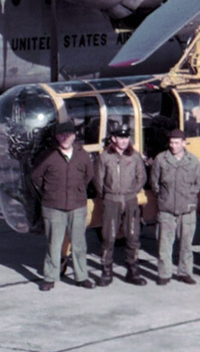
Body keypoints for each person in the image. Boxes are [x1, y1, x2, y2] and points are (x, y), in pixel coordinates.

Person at [29, 120, 95, 291]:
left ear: (74, 136)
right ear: (57, 137)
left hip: (77, 205)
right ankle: (50, 277)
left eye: (69, 134)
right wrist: (50, 191)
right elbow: (36, 177)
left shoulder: (82, 154)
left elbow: (89, 175)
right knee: (54, 244)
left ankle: (81, 277)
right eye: (61, 134)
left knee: (79, 244)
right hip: (53, 206)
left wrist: (79, 189)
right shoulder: (47, 155)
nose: (65, 137)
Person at [95, 120, 148, 286]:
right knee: (108, 237)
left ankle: (133, 271)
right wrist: (109, 194)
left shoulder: (134, 156)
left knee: (132, 236)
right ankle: (106, 272)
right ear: (113, 139)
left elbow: (142, 177)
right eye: (121, 137)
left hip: (130, 200)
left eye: (126, 137)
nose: (124, 140)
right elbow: (98, 180)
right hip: (112, 200)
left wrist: (132, 190)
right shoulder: (105, 157)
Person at [151, 128, 200, 285]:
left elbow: (197, 184)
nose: (173, 146)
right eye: (171, 142)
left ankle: (185, 272)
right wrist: (164, 198)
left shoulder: (193, 161)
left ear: (184, 143)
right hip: (167, 210)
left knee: (186, 244)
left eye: (177, 143)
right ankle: (164, 274)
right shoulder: (161, 160)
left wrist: (189, 198)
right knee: (164, 245)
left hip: (187, 210)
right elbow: (155, 183)